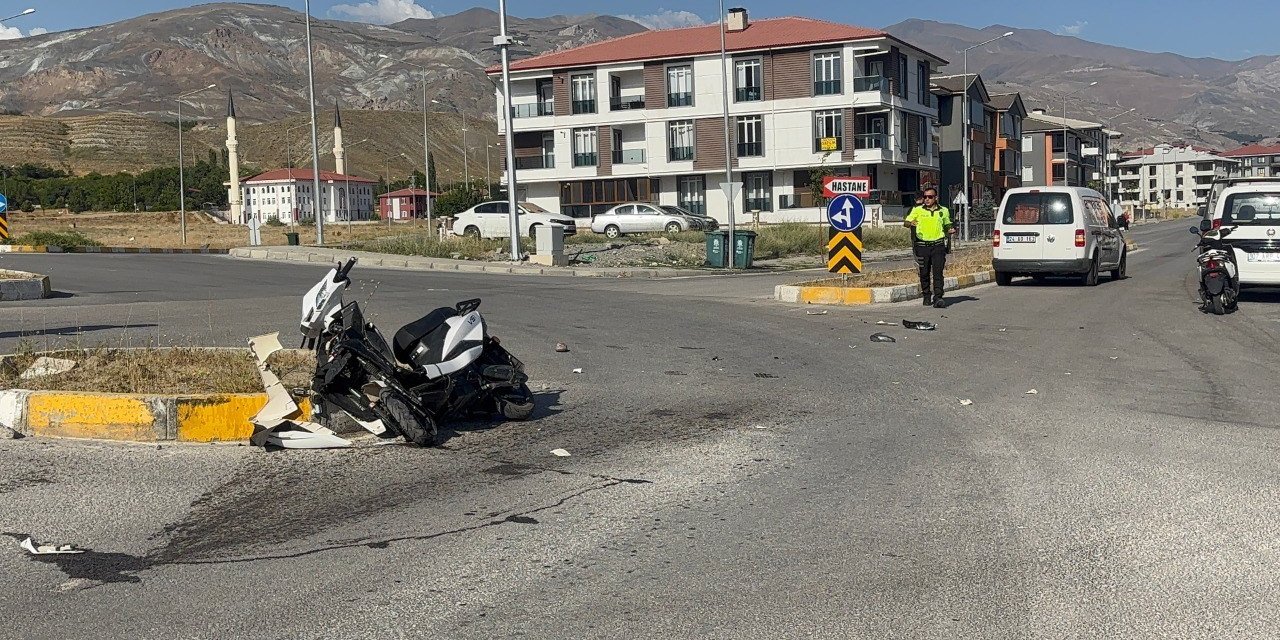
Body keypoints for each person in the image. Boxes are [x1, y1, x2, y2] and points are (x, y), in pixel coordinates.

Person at [905, 188, 957, 308]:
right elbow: (906, 222)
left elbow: (947, 224)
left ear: (936, 198)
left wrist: (950, 229)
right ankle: (926, 295)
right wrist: (910, 223)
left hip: (938, 246)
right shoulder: (917, 210)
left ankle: (938, 297)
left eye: (930, 197)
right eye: (925, 197)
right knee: (924, 273)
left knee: (938, 272)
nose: (927, 199)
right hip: (922, 246)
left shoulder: (943, 210)